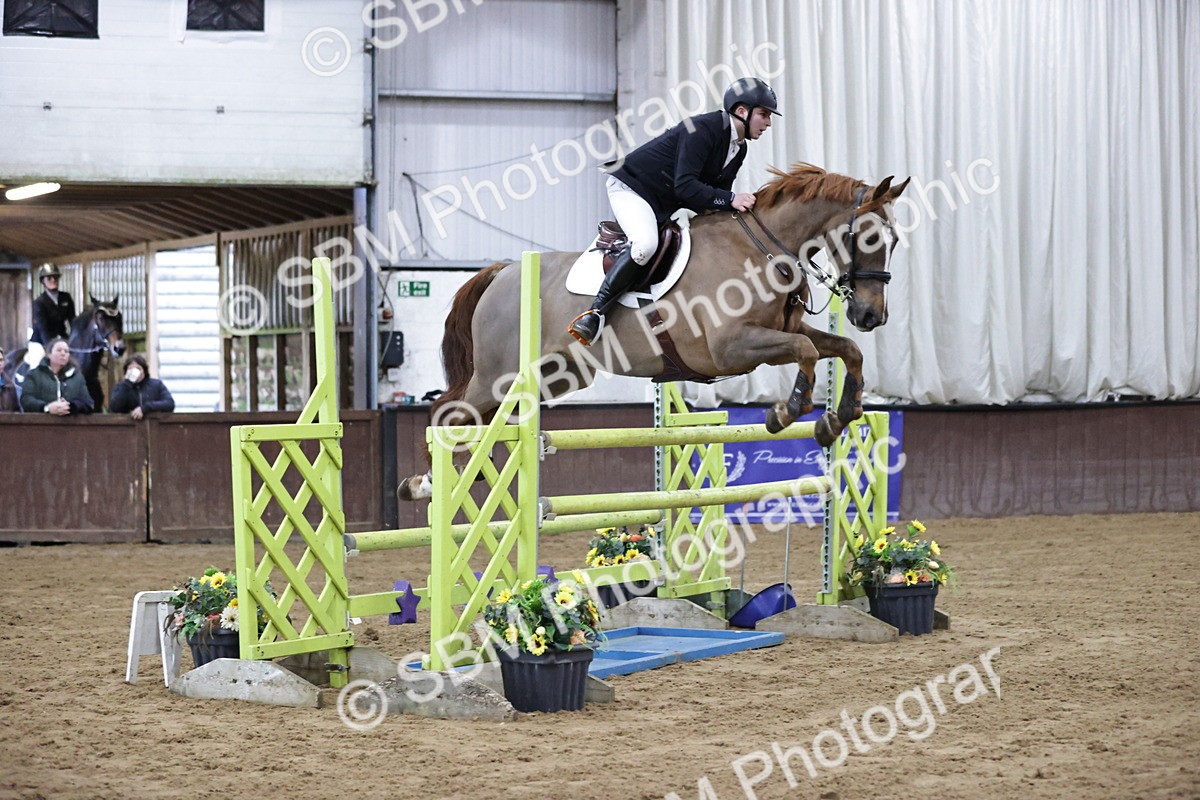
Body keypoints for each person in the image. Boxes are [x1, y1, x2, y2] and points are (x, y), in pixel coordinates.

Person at [568, 77, 781, 346]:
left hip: (664, 201)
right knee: (645, 245)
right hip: (633, 189)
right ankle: (595, 313)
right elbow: (686, 186)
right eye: (764, 114)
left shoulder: (739, 148)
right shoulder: (703, 129)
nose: (768, 123)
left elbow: (713, 197)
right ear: (742, 111)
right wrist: (731, 198)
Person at [20, 337, 94, 415]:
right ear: (49, 354)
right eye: (59, 350)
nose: (63, 353)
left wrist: (70, 406)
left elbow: (88, 403)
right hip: (41, 424)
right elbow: (26, 400)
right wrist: (47, 407)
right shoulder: (34, 375)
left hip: (70, 424)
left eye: (66, 351)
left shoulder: (77, 377)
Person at [109, 354, 175, 419]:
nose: (134, 372)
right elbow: (115, 408)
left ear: (144, 371)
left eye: (138, 369)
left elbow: (169, 404)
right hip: (129, 427)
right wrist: (127, 383)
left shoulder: (156, 384)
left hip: (153, 425)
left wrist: (145, 408)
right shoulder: (121, 387)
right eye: (131, 369)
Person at [30, 264, 76, 346]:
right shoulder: (39, 302)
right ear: (43, 281)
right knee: (37, 358)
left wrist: (75, 339)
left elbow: (73, 321)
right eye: (49, 278)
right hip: (40, 342)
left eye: (55, 277)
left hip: (62, 337)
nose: (53, 280)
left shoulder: (66, 297)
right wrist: (50, 348)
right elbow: (43, 329)